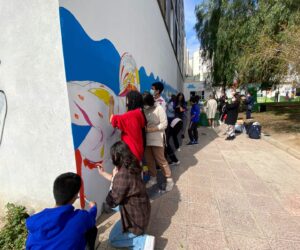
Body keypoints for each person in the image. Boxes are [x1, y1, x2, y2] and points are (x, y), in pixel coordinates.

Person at [97, 141, 154, 250]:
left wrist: (115, 176)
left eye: (112, 156)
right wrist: (104, 173)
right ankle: (137, 236)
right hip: (143, 209)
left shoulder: (122, 174)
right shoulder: (133, 164)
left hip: (137, 220)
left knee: (112, 239)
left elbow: (111, 201)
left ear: (116, 156)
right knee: (117, 206)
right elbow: (121, 184)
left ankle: (142, 241)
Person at [26, 173, 98, 250]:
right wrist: (93, 207)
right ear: (75, 196)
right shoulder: (81, 217)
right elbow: (91, 218)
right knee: (92, 230)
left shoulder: (36, 220)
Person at [143, 92, 174, 191]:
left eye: (145, 103)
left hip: (157, 138)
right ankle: (153, 178)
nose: (144, 105)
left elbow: (164, 124)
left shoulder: (159, 108)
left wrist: (152, 129)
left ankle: (169, 180)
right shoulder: (144, 109)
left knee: (161, 160)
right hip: (147, 139)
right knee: (149, 160)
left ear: (149, 101)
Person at [109, 90, 146, 162]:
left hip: (130, 151)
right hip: (138, 149)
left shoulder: (130, 115)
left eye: (127, 99)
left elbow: (112, 119)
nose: (126, 101)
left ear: (131, 100)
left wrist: (111, 105)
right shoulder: (139, 113)